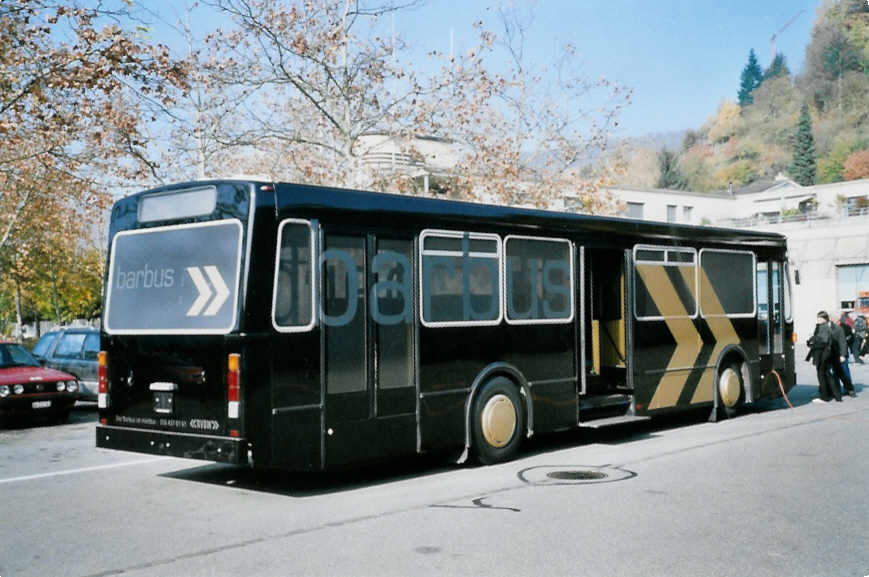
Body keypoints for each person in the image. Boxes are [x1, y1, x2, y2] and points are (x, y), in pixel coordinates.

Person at [806, 311, 840, 403]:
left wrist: (813, 341)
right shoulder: (822, 326)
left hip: (822, 354)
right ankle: (837, 396)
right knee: (827, 375)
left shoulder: (824, 327)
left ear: (825, 319)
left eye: (820, 318)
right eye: (818, 318)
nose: (818, 320)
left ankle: (825, 397)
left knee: (822, 374)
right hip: (824, 354)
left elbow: (823, 341)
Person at [832, 314, 857, 398]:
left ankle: (849, 389)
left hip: (843, 353)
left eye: (834, 319)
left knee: (845, 371)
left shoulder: (846, 327)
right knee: (835, 373)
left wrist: (844, 343)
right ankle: (837, 390)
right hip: (834, 354)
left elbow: (851, 338)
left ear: (838, 320)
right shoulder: (831, 328)